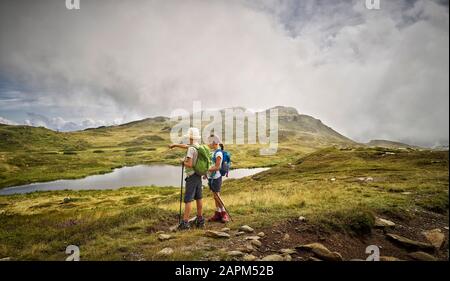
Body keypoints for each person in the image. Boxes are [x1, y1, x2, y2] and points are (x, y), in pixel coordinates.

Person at [175, 128, 205, 230]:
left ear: (191, 137)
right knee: (199, 198)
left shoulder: (191, 149)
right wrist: (175, 145)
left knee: (188, 200)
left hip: (191, 176)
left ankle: (185, 223)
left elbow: (190, 164)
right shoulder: (198, 147)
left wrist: (182, 161)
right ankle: (200, 220)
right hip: (198, 175)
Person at [207, 134, 230, 223]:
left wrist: (206, 169)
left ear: (215, 143)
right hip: (211, 177)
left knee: (217, 196)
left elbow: (217, 167)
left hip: (216, 177)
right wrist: (207, 173)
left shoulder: (219, 153)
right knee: (215, 196)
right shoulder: (214, 152)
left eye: (210, 142)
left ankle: (224, 214)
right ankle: (218, 213)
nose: (209, 144)